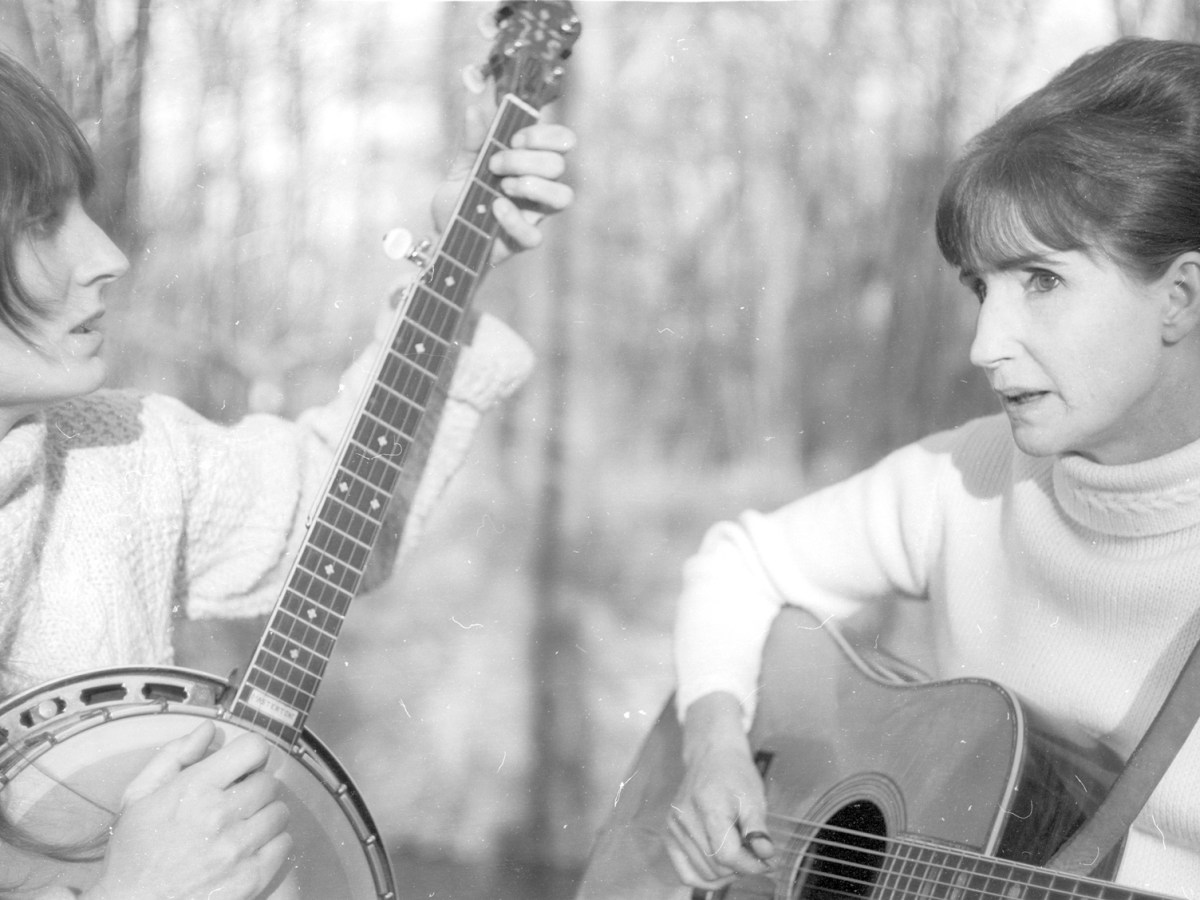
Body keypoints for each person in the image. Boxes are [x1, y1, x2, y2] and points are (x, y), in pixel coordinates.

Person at [0, 40, 574, 900]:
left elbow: (328, 508)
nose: (108, 253)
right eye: (42, 219)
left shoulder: (120, 448)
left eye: (86, 205)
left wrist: (456, 266)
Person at [667, 35, 1200, 898]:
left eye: (1042, 281)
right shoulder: (975, 474)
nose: (987, 346)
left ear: (1179, 296)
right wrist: (715, 742)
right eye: (980, 288)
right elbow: (740, 561)